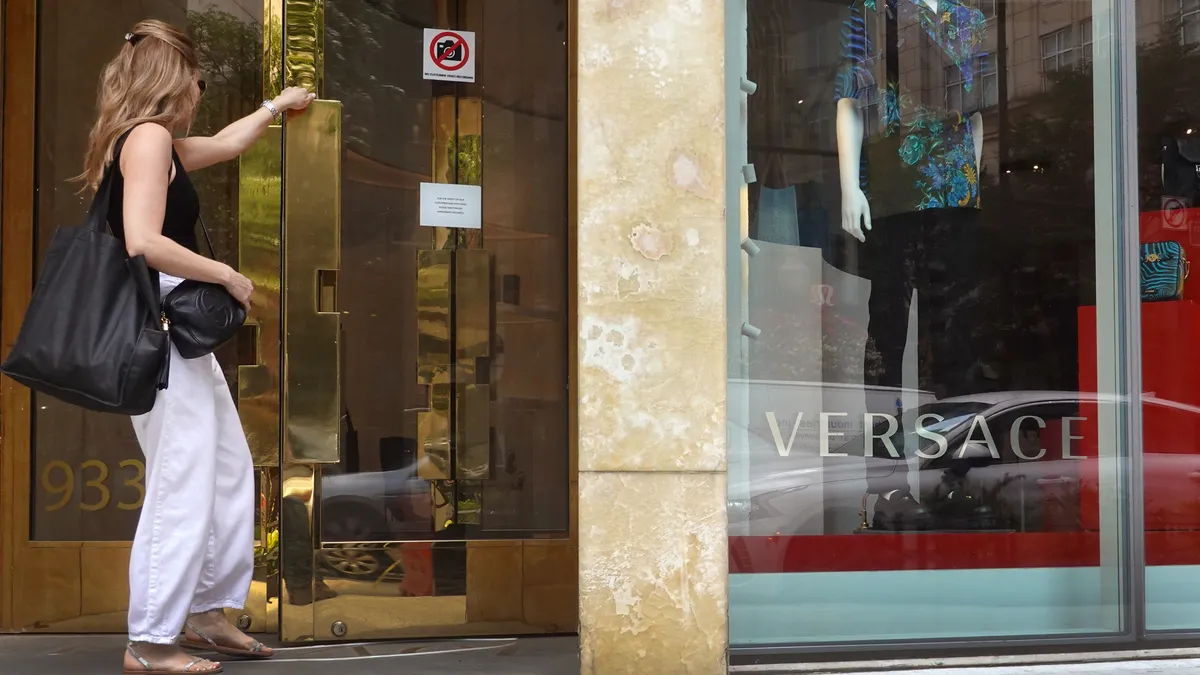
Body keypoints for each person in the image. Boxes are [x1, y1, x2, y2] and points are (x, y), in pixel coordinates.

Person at [75, 20, 315, 675]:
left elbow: (228, 144)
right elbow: (142, 240)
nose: (200, 87)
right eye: (194, 74)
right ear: (170, 77)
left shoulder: (158, 143)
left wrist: (275, 106)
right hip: (158, 329)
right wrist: (230, 275)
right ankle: (150, 640)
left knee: (227, 465)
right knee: (182, 477)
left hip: (173, 332)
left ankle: (205, 612)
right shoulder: (148, 140)